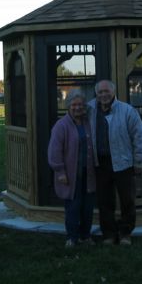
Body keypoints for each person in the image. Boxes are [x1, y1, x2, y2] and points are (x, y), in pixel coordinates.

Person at [88, 79, 142, 246]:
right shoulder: (89, 109)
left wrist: (139, 160)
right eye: (100, 92)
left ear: (113, 92)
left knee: (127, 201)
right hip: (101, 164)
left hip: (124, 162)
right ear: (96, 94)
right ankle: (109, 234)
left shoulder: (127, 111)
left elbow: (139, 136)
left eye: (106, 92)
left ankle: (125, 233)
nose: (103, 95)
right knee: (105, 201)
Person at [48, 89, 96, 248]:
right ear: (68, 106)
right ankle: (72, 237)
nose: (77, 108)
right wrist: (60, 171)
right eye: (74, 104)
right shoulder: (61, 126)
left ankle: (86, 235)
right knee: (73, 208)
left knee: (87, 208)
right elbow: (54, 151)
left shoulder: (88, 122)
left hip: (88, 174)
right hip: (70, 175)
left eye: (81, 104)